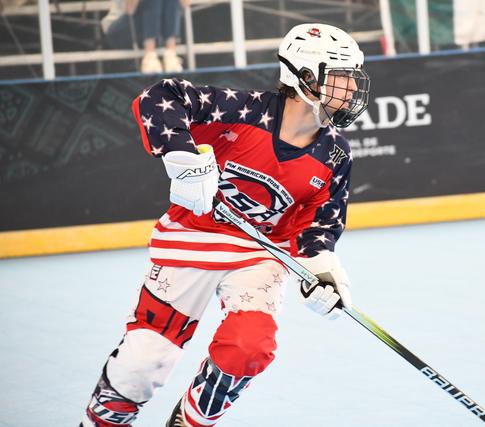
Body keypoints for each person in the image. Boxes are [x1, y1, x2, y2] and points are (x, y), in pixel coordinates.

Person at [80, 23, 371, 427]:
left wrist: (323, 272)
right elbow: (159, 97)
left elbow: (319, 225)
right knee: (142, 363)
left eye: (353, 77)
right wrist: (183, 157)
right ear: (304, 76)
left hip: (258, 254)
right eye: (340, 77)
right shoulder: (242, 110)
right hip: (189, 240)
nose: (352, 89)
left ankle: (190, 420)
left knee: (250, 347)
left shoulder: (336, 154)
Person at [101, 0, 189, 73]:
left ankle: (171, 54)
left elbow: (184, 4)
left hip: (154, 31)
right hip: (120, 29)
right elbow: (130, 9)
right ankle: (149, 56)